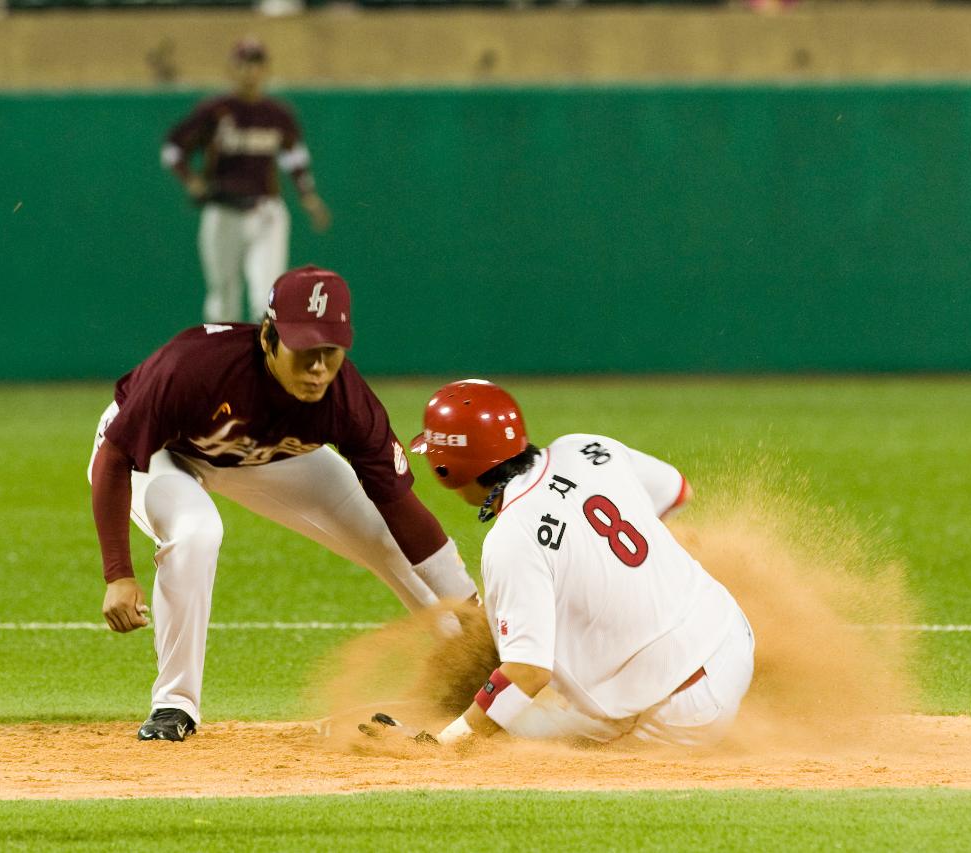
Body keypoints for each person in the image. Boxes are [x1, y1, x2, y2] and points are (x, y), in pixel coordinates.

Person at [88, 266, 476, 742]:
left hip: (262, 456)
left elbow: (399, 506)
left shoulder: (347, 401)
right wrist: (118, 574)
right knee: (196, 531)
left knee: (381, 532)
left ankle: (475, 671)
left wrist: (469, 607)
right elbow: (115, 456)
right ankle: (175, 704)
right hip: (160, 454)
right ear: (269, 338)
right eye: (305, 351)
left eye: (330, 353)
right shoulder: (194, 367)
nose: (318, 368)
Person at [390, 379, 754, 747]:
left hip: (682, 713)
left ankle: (442, 740)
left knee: (503, 739)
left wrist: (448, 746)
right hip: (733, 635)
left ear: (444, 468)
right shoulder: (585, 447)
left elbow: (527, 674)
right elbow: (677, 492)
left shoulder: (511, 539)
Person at [161, 37, 332, 324]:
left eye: (256, 64)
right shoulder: (215, 111)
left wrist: (308, 196)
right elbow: (172, 149)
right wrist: (189, 179)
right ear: (232, 68)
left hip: (266, 212)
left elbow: (295, 158)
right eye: (244, 63)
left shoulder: (278, 114)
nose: (250, 71)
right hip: (223, 212)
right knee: (223, 299)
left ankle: (257, 368)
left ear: (265, 69)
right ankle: (217, 367)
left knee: (266, 299)